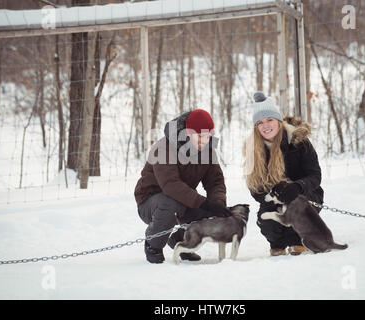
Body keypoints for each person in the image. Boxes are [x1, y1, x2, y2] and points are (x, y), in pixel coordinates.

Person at [134, 109, 231, 263]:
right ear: (188, 132)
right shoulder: (164, 147)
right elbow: (170, 185)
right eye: (200, 136)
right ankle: (153, 245)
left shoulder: (207, 150)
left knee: (208, 211)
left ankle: (183, 243)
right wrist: (205, 202)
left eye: (208, 136)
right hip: (151, 202)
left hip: (182, 200)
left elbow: (215, 182)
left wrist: (217, 203)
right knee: (172, 202)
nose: (204, 141)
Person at [243, 92, 324, 256]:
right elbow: (254, 187)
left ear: (278, 121)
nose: (266, 126)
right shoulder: (253, 148)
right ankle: (277, 243)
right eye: (260, 123)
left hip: (304, 194)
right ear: (256, 127)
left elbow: (314, 175)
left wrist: (298, 186)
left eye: (269, 120)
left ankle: (297, 240)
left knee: (297, 208)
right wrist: (273, 198)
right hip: (273, 196)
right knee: (266, 218)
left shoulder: (298, 141)